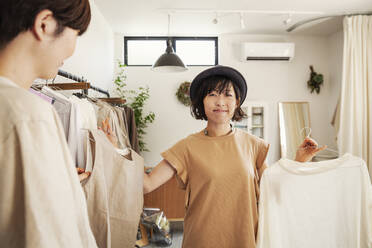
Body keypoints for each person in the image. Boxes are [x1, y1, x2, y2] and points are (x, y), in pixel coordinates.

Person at [143, 66, 326, 248]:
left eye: (227, 95)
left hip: (244, 238)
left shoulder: (254, 145)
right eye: (212, 94)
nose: (220, 102)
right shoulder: (186, 147)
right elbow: (147, 184)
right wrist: (117, 149)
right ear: (202, 101)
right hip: (201, 240)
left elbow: (274, 191)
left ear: (237, 101)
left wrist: (299, 160)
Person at [0, 0, 98, 246]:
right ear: (45, 24)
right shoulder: (29, 114)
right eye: (76, 33)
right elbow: (50, 236)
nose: (73, 49)